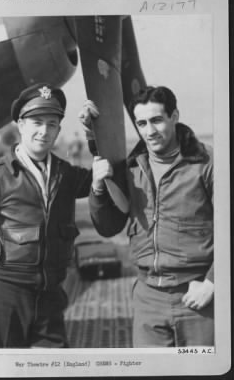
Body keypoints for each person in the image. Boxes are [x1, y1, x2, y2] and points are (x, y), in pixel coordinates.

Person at [0, 83, 92, 348]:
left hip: (50, 296)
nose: (44, 131)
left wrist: (94, 135)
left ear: (59, 130)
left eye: (52, 124)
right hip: (5, 293)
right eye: (36, 122)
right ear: (20, 124)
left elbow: (105, 178)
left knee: (54, 369)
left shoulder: (66, 174)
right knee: (1, 373)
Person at [80, 86, 214, 347]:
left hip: (198, 296)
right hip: (148, 298)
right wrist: (97, 186)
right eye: (141, 123)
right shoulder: (131, 168)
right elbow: (107, 226)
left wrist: (213, 282)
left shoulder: (208, 163)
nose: (150, 131)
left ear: (174, 116)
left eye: (156, 120)